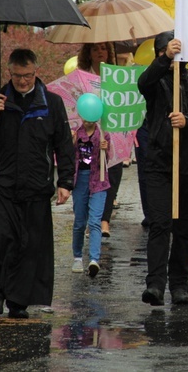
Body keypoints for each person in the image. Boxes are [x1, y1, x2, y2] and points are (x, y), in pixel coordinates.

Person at [0, 49, 75, 319]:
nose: (23, 81)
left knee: (28, 246)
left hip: (35, 187)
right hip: (1, 184)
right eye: (17, 76)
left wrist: (65, 181)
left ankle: (18, 301)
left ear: (36, 72)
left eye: (27, 75)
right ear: (9, 72)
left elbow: (63, 143)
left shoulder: (51, 103)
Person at [137, 31, 188, 305]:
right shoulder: (155, 81)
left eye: (176, 52)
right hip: (159, 163)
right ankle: (155, 285)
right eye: (166, 52)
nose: (172, 57)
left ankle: (179, 283)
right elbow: (142, 82)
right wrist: (164, 60)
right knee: (159, 224)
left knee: (185, 228)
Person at [77, 42, 121, 238]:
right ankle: (90, 219)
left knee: (112, 171)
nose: (100, 52)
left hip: (112, 131)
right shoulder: (81, 76)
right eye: (95, 49)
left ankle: (104, 220)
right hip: (89, 132)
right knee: (90, 174)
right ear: (89, 53)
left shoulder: (117, 75)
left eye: (103, 48)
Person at [71, 117, 111, 278]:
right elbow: (68, 157)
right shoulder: (75, 134)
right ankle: (78, 256)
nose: (89, 121)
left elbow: (106, 162)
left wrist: (105, 149)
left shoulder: (103, 134)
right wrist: (72, 143)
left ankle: (94, 259)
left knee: (95, 221)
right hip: (79, 179)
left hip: (99, 181)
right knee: (80, 222)